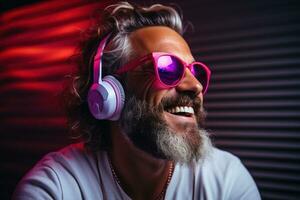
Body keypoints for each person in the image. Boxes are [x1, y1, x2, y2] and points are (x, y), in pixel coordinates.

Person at [13, 2, 261, 200]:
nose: (194, 86)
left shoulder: (227, 180)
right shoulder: (54, 188)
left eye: (196, 72)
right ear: (110, 94)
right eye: (166, 67)